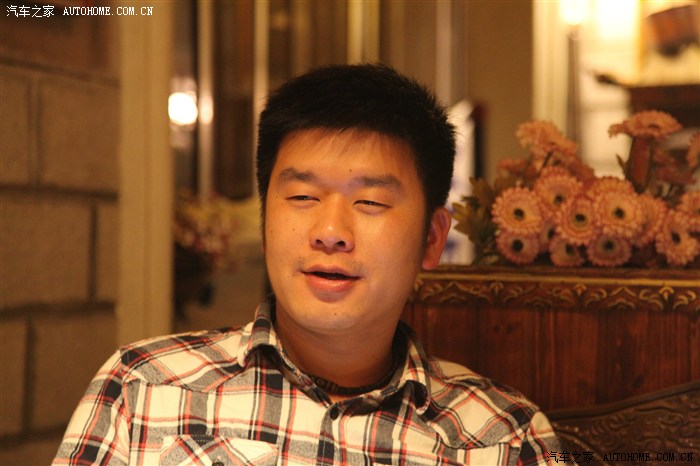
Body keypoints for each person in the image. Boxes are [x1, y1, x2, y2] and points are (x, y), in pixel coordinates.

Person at [54, 64, 561, 465]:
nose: (330, 231)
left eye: (370, 202)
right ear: (265, 219)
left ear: (432, 238)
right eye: (301, 196)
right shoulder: (143, 388)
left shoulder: (503, 437)